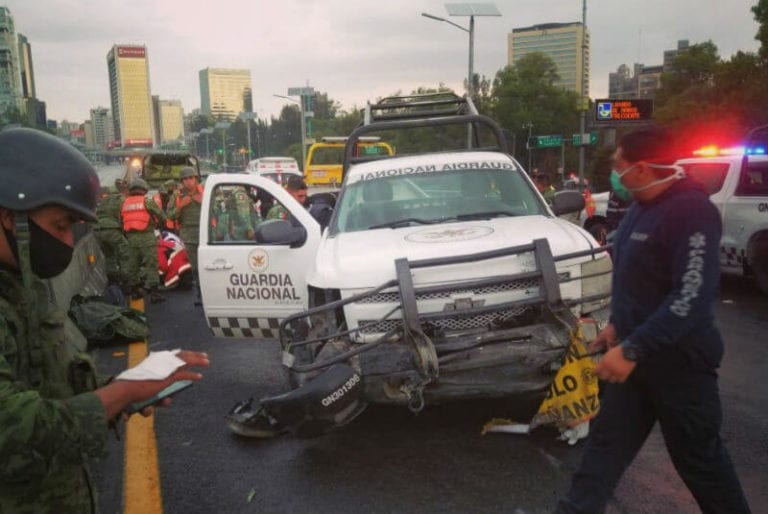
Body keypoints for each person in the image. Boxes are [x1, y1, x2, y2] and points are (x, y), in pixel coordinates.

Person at [0, 128, 209, 513]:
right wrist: (120, 396)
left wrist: (123, 388)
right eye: (60, 226)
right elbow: (14, 427)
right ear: (11, 218)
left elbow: (50, 388)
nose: (67, 243)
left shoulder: (25, 286)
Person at [556, 126, 751, 513]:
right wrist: (616, 327)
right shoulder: (641, 209)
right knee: (602, 453)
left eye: (618, 166)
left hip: (679, 365)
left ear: (642, 169)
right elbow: (641, 282)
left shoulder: (692, 212)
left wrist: (632, 347)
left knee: (701, 463)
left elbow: (690, 298)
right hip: (633, 364)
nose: (614, 174)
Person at [122, 177, 167, 303]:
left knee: (133, 266)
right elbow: (162, 215)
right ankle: (154, 294)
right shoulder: (147, 201)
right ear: (144, 189)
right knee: (151, 265)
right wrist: (159, 225)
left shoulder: (125, 203)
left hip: (130, 238)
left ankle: (136, 292)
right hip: (147, 238)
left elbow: (121, 220)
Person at [167, 167, 203, 283]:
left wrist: (203, 202)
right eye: (185, 179)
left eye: (191, 178)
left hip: (206, 233)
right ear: (181, 182)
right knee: (194, 267)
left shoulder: (205, 191)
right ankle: (198, 293)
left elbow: (218, 211)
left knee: (208, 265)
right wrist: (180, 206)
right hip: (188, 236)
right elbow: (170, 216)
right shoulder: (177, 196)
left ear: (196, 179)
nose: (188, 181)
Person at [94, 178, 130, 291]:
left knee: (109, 257)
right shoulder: (122, 200)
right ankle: (126, 284)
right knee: (126, 255)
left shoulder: (104, 200)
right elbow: (124, 218)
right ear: (125, 191)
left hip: (97, 231)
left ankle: (112, 281)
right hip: (112, 230)